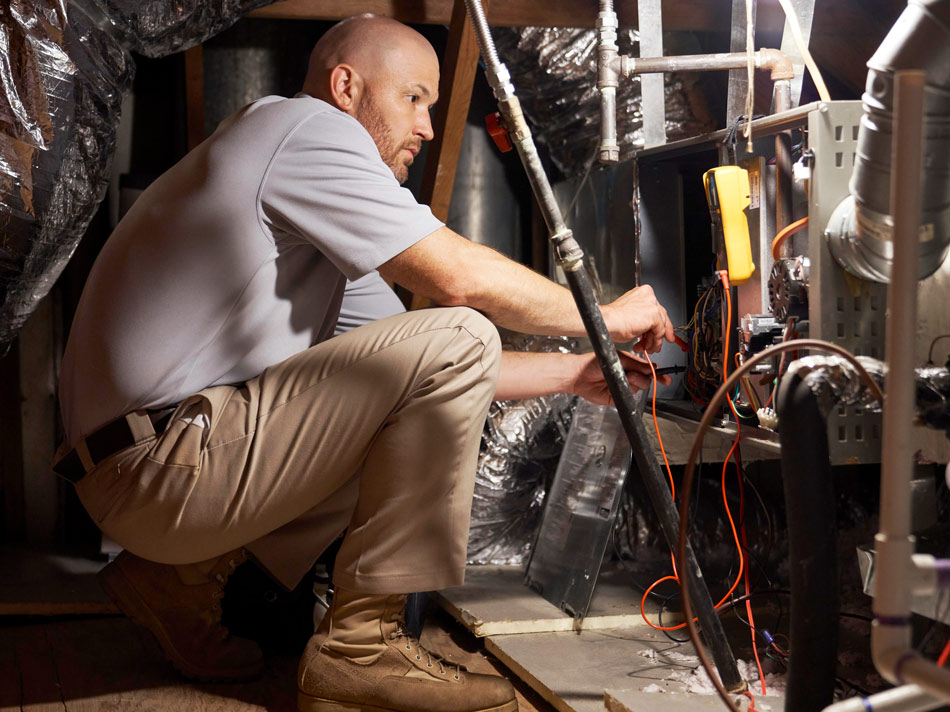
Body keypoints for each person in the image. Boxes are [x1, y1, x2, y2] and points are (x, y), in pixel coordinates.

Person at [54, 14, 674, 712]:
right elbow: (457, 288)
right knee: (459, 329)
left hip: (146, 468)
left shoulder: (311, 216)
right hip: (160, 464)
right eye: (414, 98)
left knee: (416, 375)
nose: (429, 127)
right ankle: (363, 649)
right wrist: (607, 313)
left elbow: (430, 375)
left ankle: (177, 580)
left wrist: (572, 373)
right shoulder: (302, 129)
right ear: (346, 87)